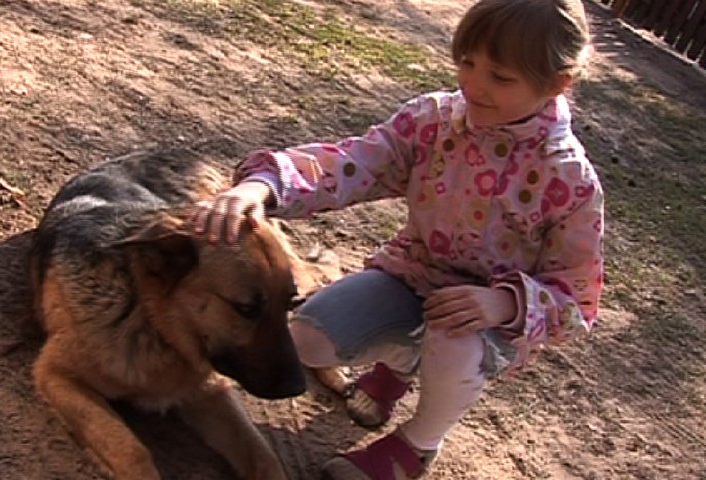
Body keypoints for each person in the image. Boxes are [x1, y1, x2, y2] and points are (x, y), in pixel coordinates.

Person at [190, 0, 604, 478]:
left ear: (557, 83)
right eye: (467, 62)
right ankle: (401, 362)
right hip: (410, 276)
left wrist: (504, 305)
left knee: (452, 341)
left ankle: (417, 444)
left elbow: (577, 297)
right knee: (305, 339)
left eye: (501, 77)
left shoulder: (570, 182)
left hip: (482, 321)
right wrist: (264, 184)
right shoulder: (433, 121)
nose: (474, 85)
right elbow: (354, 163)